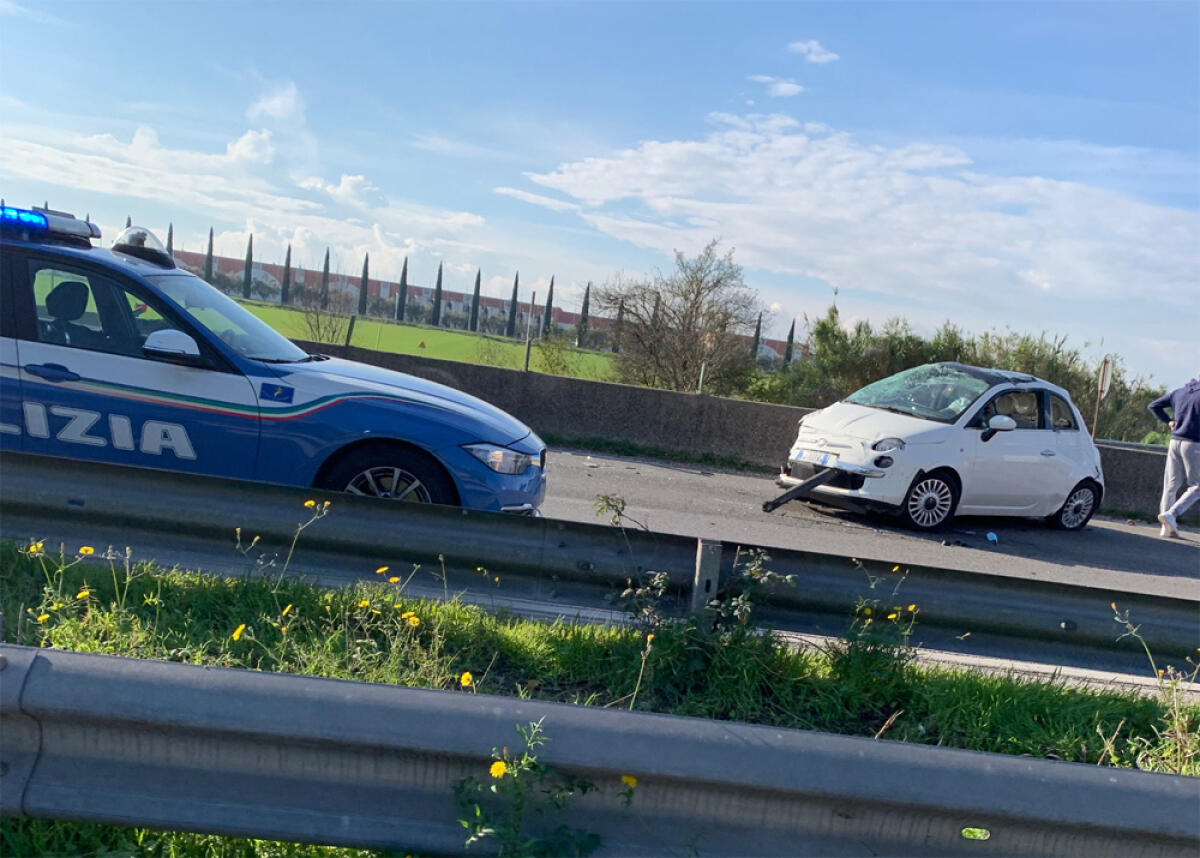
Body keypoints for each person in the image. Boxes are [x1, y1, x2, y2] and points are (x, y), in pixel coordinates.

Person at [1148, 372, 1200, 538]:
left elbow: (1154, 405)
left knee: (1170, 486)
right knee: (1197, 486)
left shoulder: (1180, 392)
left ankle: (1166, 529)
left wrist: (1169, 420)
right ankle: (1171, 514)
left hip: (1174, 441)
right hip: (1194, 444)